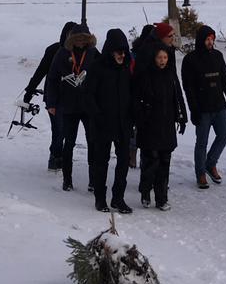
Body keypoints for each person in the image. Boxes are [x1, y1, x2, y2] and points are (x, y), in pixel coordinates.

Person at [181, 24, 226, 189]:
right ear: (201, 40)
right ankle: (200, 173)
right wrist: (193, 110)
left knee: (224, 135)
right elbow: (188, 88)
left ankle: (210, 163)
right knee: (202, 142)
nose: (210, 42)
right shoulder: (190, 60)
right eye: (207, 39)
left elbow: (225, 81)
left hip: (219, 106)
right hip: (202, 109)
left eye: (212, 39)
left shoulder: (218, 56)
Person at [44, 22, 99, 191]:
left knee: (93, 142)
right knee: (69, 142)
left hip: (88, 106)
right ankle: (67, 179)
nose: (81, 42)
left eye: (84, 39)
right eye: (78, 39)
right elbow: (52, 78)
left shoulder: (93, 53)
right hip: (67, 105)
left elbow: (103, 75)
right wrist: (51, 103)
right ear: (72, 39)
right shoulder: (62, 54)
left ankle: (93, 180)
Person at [84, 28, 134, 214]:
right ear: (110, 50)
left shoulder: (127, 67)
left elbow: (132, 94)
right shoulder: (98, 67)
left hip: (123, 124)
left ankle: (118, 198)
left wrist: (132, 116)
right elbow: (88, 96)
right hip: (102, 124)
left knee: (123, 162)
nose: (122, 55)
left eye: (124, 51)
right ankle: (100, 198)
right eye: (118, 51)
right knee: (101, 162)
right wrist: (97, 115)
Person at [133, 45, 186, 210]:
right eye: (159, 58)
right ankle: (145, 192)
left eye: (165, 58)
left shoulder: (170, 75)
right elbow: (137, 99)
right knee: (151, 161)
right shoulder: (145, 75)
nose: (162, 61)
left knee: (165, 162)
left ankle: (161, 198)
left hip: (167, 125)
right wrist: (141, 117)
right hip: (149, 125)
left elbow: (178, 96)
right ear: (153, 59)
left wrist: (182, 117)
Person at [24, 20, 78, 171]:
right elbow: (40, 72)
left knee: (68, 131)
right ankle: (55, 157)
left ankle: (63, 158)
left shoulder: (80, 52)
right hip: (54, 98)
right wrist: (29, 91)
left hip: (72, 98)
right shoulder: (54, 50)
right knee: (58, 130)